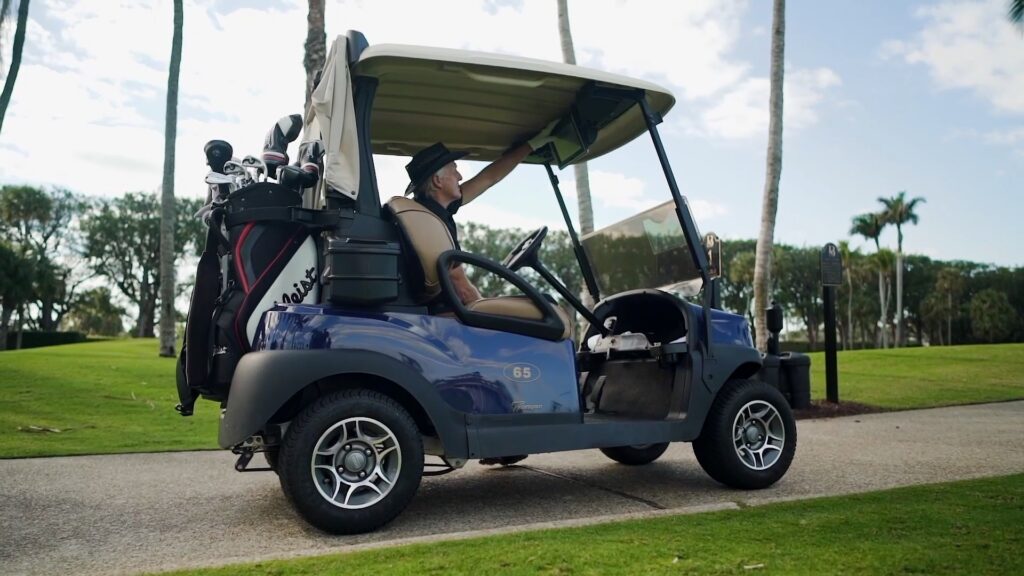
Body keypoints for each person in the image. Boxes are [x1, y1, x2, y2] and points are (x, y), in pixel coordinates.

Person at [404, 121, 559, 305]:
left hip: (442, 308)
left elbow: (488, 178)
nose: (460, 177)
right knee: (546, 306)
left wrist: (531, 145)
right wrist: (485, 309)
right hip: (445, 312)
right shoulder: (431, 223)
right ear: (438, 181)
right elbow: (461, 287)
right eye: (455, 171)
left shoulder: (432, 210)